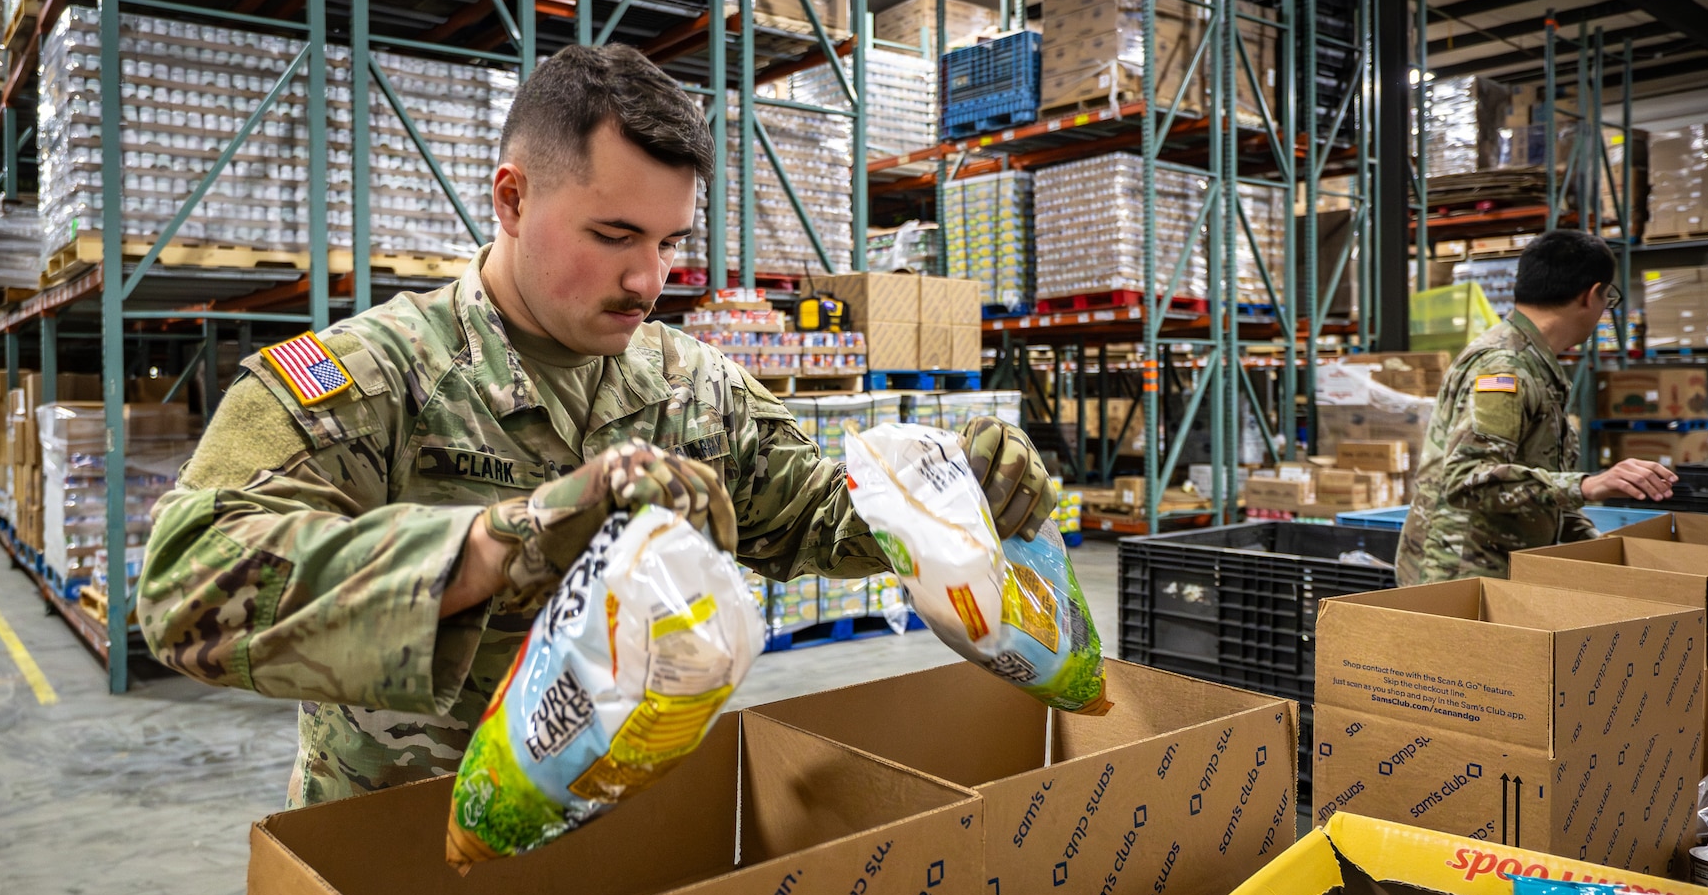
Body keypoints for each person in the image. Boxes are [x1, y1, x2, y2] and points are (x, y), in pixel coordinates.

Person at [137, 44, 1053, 806]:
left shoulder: (692, 385)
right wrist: (500, 544)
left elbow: (812, 511)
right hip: (400, 851)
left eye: (669, 244)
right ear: (511, 199)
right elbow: (186, 585)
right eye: (614, 236)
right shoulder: (378, 379)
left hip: (621, 838)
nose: (649, 281)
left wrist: (949, 497)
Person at [1396, 230, 1679, 586]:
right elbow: (1468, 481)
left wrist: (1604, 551)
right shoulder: (1504, 367)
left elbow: (1533, 481)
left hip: (1493, 570)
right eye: (1609, 298)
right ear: (1592, 295)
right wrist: (1588, 485)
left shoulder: (1533, 362)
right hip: (1460, 577)